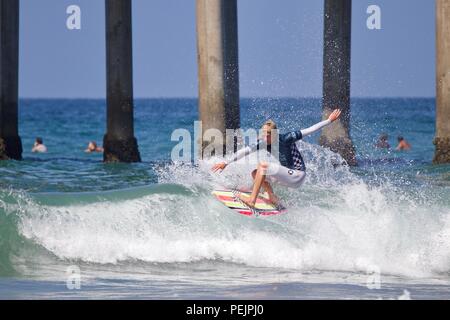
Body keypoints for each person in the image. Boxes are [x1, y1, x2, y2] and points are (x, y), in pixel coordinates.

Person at [212, 109, 342, 208]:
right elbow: (244, 151)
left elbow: (310, 130)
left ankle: (251, 200)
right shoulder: (263, 143)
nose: (265, 136)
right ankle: (272, 197)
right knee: (255, 173)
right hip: (288, 177)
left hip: (297, 175)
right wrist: (226, 162)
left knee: (263, 166)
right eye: (264, 133)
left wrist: (329, 120)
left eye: (268, 134)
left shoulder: (286, 138)